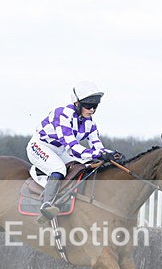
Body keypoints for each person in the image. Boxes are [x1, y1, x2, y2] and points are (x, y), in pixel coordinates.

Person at [26, 81, 123, 220]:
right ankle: (46, 205)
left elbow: (97, 146)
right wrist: (99, 154)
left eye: (95, 106)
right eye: (88, 106)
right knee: (59, 169)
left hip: (60, 150)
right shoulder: (62, 114)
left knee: (84, 165)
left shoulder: (90, 123)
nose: (92, 110)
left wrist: (113, 154)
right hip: (40, 146)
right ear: (77, 103)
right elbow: (72, 146)